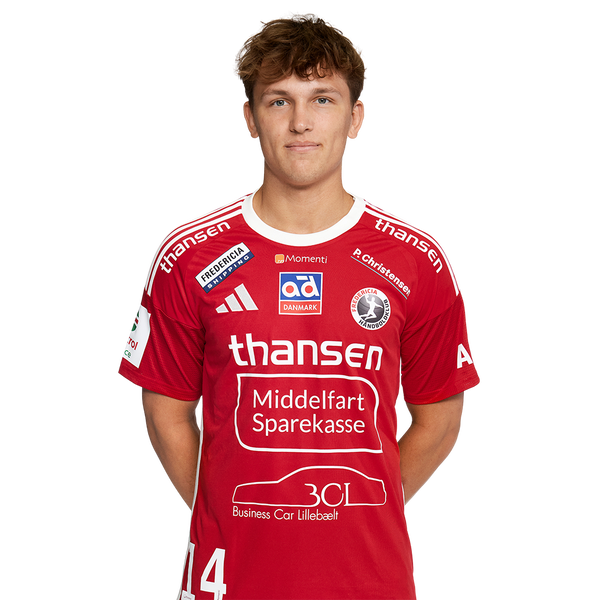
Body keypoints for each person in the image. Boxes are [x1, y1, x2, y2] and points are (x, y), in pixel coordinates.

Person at [116, 8, 482, 599]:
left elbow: (440, 420)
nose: (301, 122)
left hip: (371, 583)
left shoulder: (418, 257)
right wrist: (231, 515)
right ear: (249, 118)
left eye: (323, 99)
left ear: (358, 118)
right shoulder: (187, 251)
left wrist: (358, 511)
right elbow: (165, 413)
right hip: (226, 581)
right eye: (279, 100)